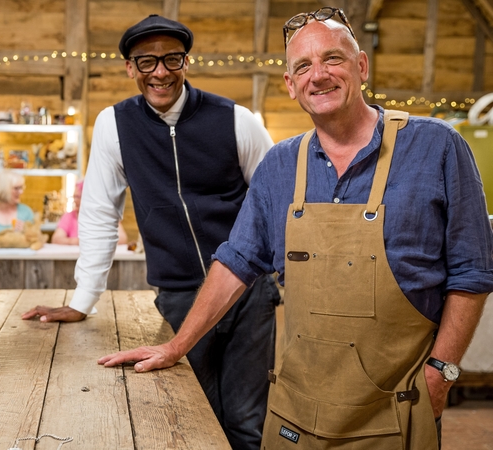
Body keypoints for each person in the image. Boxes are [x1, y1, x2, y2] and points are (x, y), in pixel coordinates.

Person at [99, 7, 493, 449]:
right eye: (303, 66)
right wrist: (176, 347)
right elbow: (237, 261)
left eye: (332, 59)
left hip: (398, 409)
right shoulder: (281, 164)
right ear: (290, 85)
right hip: (298, 411)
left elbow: (472, 272)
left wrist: (442, 373)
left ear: (362, 66)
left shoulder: (437, 147)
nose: (318, 75)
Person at [23, 15, 280, 450]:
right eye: (146, 62)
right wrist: (84, 299)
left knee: (245, 422)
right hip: (179, 295)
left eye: (171, 59)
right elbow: (100, 213)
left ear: (186, 62)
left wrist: (280, 279)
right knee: (192, 415)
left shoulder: (237, 120)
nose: (160, 71)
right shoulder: (114, 125)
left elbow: (275, 203)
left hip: (247, 295)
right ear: (130, 68)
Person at [51, 178, 128, 245]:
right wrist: (80, 242)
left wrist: (92, 243)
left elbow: (122, 238)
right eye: (74, 197)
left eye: (78, 197)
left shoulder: (106, 215)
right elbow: (56, 239)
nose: (75, 200)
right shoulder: (69, 216)